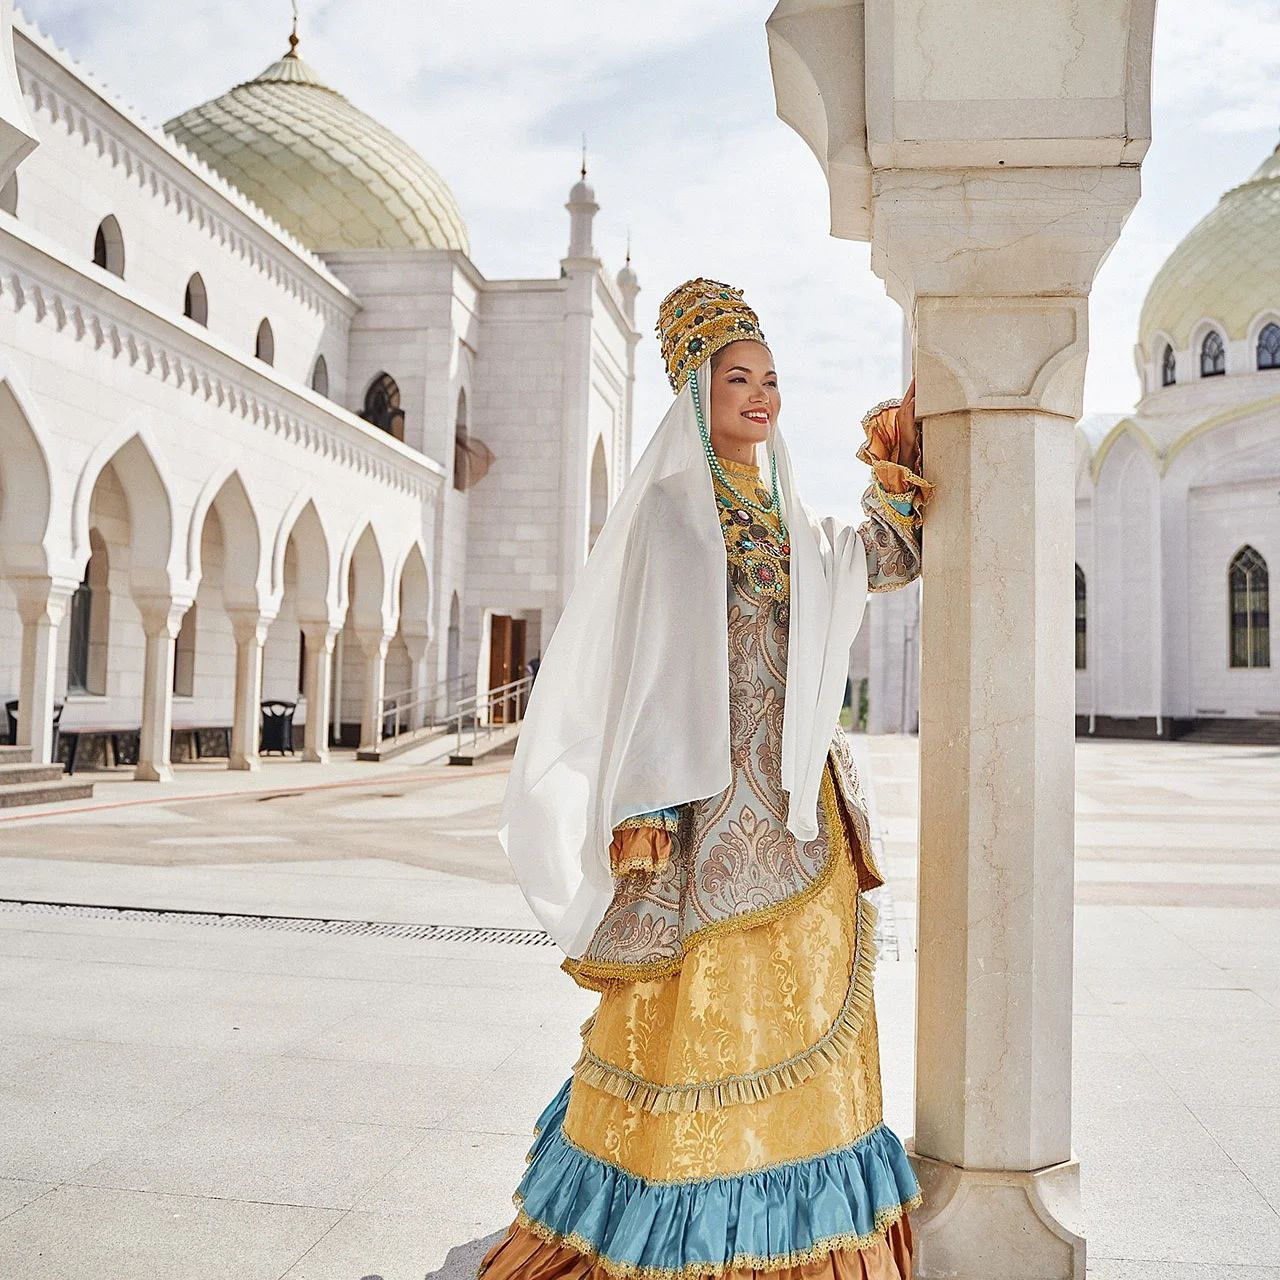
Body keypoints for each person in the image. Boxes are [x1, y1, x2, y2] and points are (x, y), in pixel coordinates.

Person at [480, 278, 935, 1280]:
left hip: (797, 806)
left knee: (804, 1009)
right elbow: (650, 662)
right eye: (738, 379)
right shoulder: (672, 515)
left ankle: (803, 1238)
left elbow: (874, 562)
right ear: (697, 391)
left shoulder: (786, 514)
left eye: (770, 378)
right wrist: (646, 801)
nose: (760, 395)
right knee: (706, 1016)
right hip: (707, 809)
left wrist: (899, 464)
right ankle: (685, 1235)